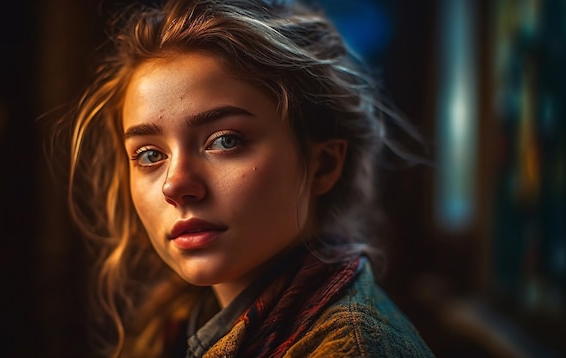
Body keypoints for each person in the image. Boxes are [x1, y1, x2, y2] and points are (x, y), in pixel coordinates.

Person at [62, 0, 435, 356]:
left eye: (225, 141)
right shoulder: (177, 322)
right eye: (150, 155)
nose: (174, 186)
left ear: (322, 164)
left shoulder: (356, 347)